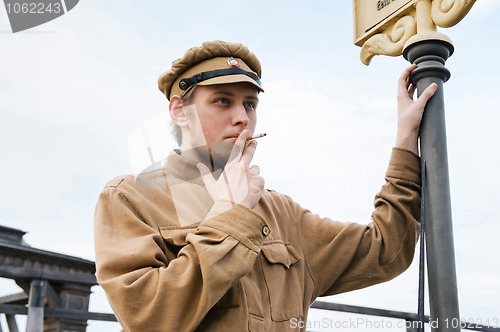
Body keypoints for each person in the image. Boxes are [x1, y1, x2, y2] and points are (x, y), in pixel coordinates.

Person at [94, 40, 437, 332]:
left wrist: (406, 136)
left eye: (250, 103)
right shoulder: (130, 196)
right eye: (222, 101)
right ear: (180, 111)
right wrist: (231, 217)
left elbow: (386, 249)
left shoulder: (281, 211)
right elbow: (146, 316)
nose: (242, 116)